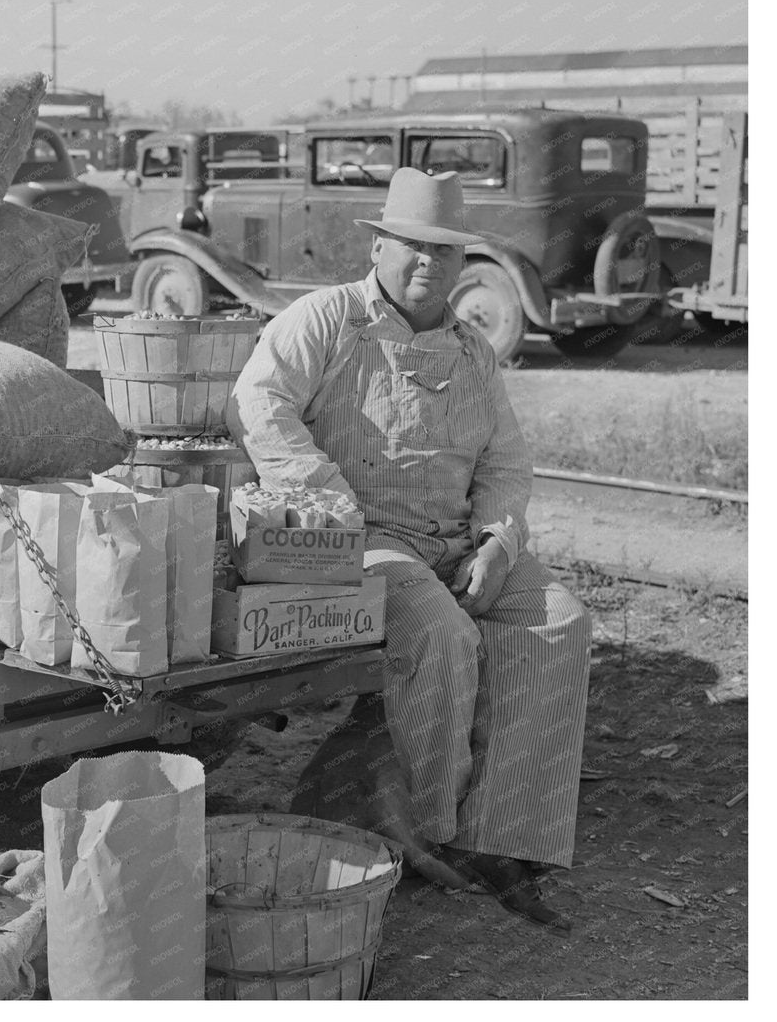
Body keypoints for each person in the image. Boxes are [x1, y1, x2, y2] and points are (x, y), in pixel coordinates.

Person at [226, 167, 592, 935]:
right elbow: (257, 403)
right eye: (412, 247)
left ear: (464, 264)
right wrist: (329, 502)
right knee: (445, 638)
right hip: (361, 544)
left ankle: (505, 840)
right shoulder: (325, 320)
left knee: (556, 621)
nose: (429, 264)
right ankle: (437, 833)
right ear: (381, 245)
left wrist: (495, 542)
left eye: (447, 252)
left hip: (456, 543)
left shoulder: (472, 350)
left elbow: (505, 463)